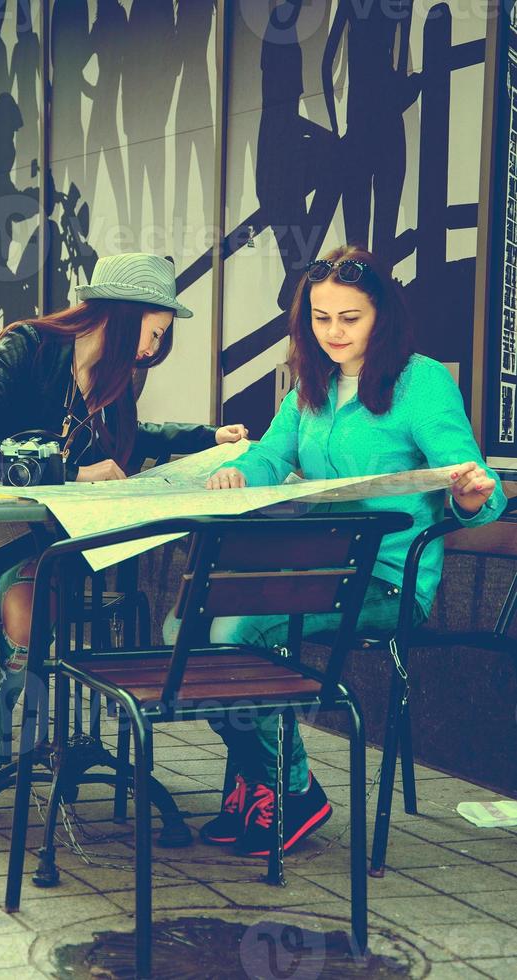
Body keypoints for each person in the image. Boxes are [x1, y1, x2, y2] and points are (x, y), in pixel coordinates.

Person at [0, 253, 247, 823]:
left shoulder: (115, 384)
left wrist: (205, 436)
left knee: (24, 623)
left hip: (32, 545)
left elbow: (134, 439)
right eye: (155, 331)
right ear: (123, 314)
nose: (154, 348)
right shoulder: (24, 347)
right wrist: (72, 473)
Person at [197, 245, 506, 857]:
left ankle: (291, 789)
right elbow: (270, 455)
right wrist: (238, 470)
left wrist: (471, 496)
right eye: (320, 317)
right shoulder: (309, 384)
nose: (333, 332)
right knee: (186, 622)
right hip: (310, 571)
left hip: (386, 582)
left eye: (349, 317)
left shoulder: (421, 383)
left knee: (232, 633)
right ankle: (256, 779)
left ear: (381, 316)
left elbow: (477, 491)